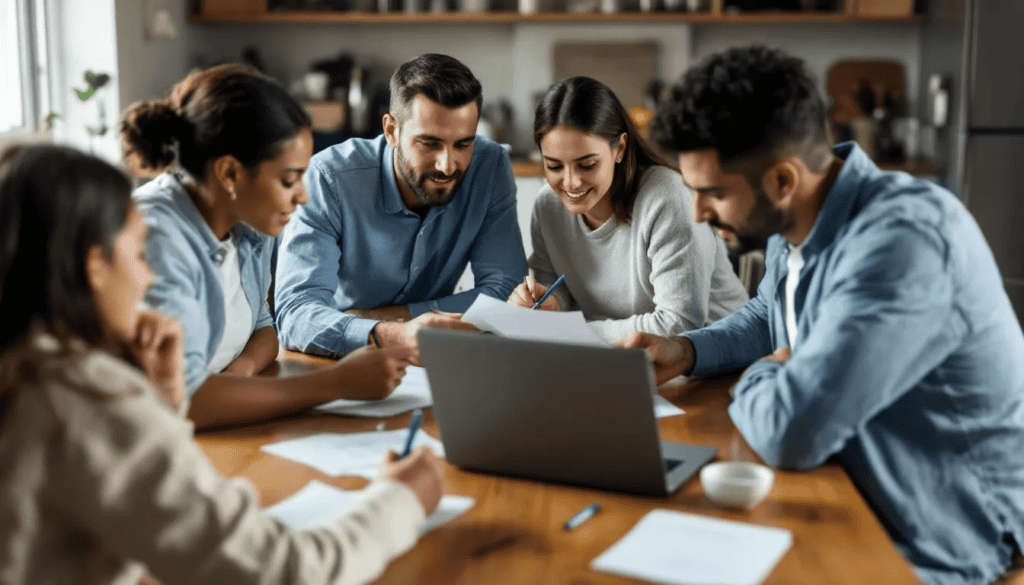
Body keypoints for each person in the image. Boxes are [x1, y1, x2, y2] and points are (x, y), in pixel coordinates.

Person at [626, 45, 1024, 585]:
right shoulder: (801, 219)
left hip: (955, 537)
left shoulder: (903, 243)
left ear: (783, 181)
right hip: (855, 489)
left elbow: (793, 432)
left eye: (712, 194)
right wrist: (689, 349)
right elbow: (770, 313)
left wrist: (769, 372)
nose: (697, 213)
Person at [0, 144, 446, 585]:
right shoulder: (84, 397)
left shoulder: (24, 374)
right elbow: (286, 571)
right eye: (138, 254)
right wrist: (402, 497)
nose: (147, 277)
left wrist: (164, 405)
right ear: (94, 266)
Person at [121, 64, 415, 430]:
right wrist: (335, 383)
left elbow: (264, 329)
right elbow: (182, 399)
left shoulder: (245, 221)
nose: (303, 196)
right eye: (289, 180)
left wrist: (236, 379)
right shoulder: (159, 237)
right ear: (229, 173)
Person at [274, 53, 526, 360]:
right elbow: (295, 314)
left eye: (463, 144)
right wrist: (387, 334)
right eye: (430, 143)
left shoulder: (490, 167)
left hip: (434, 353)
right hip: (340, 354)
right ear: (392, 131)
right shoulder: (329, 179)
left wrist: (393, 318)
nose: (448, 165)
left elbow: (507, 292)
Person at [507, 76, 747, 342]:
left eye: (587, 165)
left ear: (619, 148)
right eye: (553, 166)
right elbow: (559, 292)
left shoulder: (668, 198)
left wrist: (567, 330)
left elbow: (680, 324)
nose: (571, 183)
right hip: (618, 358)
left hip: (713, 362)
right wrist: (548, 303)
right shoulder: (548, 205)